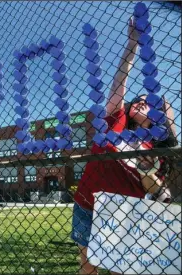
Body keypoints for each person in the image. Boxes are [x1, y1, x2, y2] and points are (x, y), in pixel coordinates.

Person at [71, 17, 178, 275]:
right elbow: (118, 85)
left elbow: (156, 190)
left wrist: (146, 169)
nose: (142, 101)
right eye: (138, 100)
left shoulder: (157, 148)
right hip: (87, 205)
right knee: (87, 266)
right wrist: (132, 45)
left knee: (120, 268)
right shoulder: (115, 123)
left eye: (150, 102)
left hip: (122, 216)